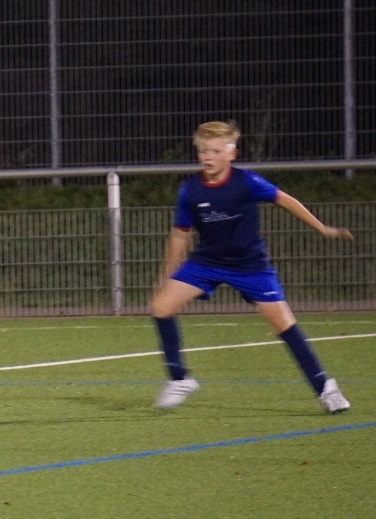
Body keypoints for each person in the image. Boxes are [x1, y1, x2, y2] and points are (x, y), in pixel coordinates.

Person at [150, 121, 353, 413]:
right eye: (203, 151)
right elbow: (180, 234)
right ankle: (180, 379)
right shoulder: (190, 190)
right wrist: (166, 276)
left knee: (283, 324)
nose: (208, 157)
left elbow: (285, 200)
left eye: (216, 151)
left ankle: (325, 388)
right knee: (160, 306)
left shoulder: (247, 182)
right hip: (207, 262)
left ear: (232, 154)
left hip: (250, 266)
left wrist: (322, 228)